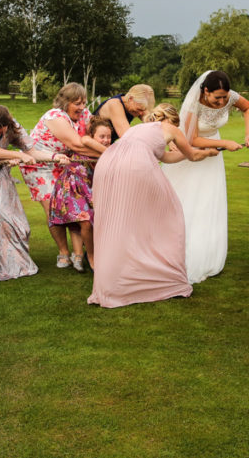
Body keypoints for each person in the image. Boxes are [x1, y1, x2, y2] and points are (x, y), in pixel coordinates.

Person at [87, 104, 218, 308]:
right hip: (135, 165)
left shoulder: (138, 130)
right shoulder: (171, 129)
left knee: (115, 223)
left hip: (107, 164)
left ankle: (114, 283)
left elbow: (166, 157)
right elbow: (192, 155)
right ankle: (164, 276)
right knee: (170, 215)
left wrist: (192, 151)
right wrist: (209, 152)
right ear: (172, 121)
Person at [0, 105, 70, 287]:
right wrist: (17, 155)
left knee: (8, 217)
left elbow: (32, 152)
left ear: (7, 126)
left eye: (0, 133)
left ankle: (11, 263)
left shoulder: (13, 126)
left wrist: (55, 156)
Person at [163, 71, 249, 284]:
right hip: (190, 156)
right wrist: (224, 144)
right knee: (189, 203)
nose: (222, 102)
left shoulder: (230, 97)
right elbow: (191, 139)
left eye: (225, 97)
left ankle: (207, 252)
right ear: (205, 91)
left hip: (213, 159)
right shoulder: (194, 103)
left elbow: (248, 107)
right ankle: (177, 254)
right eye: (217, 98)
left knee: (208, 203)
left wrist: (248, 134)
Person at [20, 83, 105, 269]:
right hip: (39, 165)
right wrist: (110, 154)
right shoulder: (55, 116)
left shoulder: (84, 114)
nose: (82, 107)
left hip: (65, 164)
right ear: (65, 102)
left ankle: (78, 253)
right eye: (77, 103)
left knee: (73, 208)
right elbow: (77, 145)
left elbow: (93, 134)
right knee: (53, 207)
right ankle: (63, 252)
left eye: (84, 102)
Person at [49, 117, 114, 272]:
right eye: (102, 136)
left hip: (89, 189)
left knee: (91, 224)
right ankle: (91, 257)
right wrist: (109, 151)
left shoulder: (109, 151)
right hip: (71, 186)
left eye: (108, 137)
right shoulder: (85, 142)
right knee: (84, 221)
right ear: (92, 136)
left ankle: (93, 254)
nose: (106, 140)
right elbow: (85, 139)